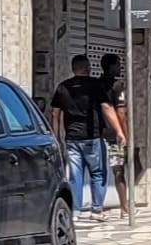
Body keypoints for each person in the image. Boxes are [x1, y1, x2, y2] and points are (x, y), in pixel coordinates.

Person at [50, 54, 124, 221]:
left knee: (75, 175)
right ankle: (97, 210)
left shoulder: (62, 87)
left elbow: (55, 114)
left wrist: (57, 137)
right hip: (92, 137)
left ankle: (75, 211)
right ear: (88, 67)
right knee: (98, 173)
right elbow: (106, 107)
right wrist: (119, 130)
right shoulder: (95, 85)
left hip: (72, 138)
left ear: (73, 68)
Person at [99, 53, 130, 219]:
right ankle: (125, 208)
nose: (120, 67)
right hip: (113, 137)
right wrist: (125, 134)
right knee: (119, 171)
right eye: (118, 64)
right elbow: (121, 112)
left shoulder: (96, 84)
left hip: (96, 135)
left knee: (98, 172)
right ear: (110, 67)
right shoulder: (117, 86)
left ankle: (97, 208)